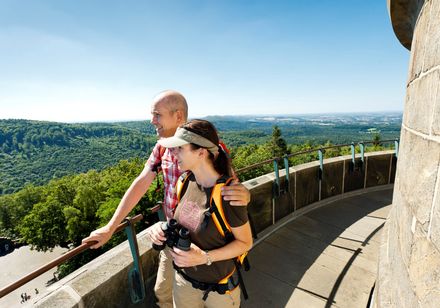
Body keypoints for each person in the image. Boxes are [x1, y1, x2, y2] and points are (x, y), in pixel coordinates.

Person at [83, 90, 251, 308]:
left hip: (208, 242)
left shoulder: (209, 147)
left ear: (178, 116)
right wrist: (111, 227)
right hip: (176, 236)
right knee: (163, 291)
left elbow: (229, 188)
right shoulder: (162, 148)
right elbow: (141, 183)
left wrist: (245, 193)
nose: (152, 120)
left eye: (157, 115)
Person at [147, 119, 252, 307]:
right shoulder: (185, 182)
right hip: (183, 282)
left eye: (180, 148)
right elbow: (186, 223)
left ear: (201, 152)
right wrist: (160, 229)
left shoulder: (228, 195)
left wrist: (205, 257)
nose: (174, 153)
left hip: (219, 291)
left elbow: (245, 243)